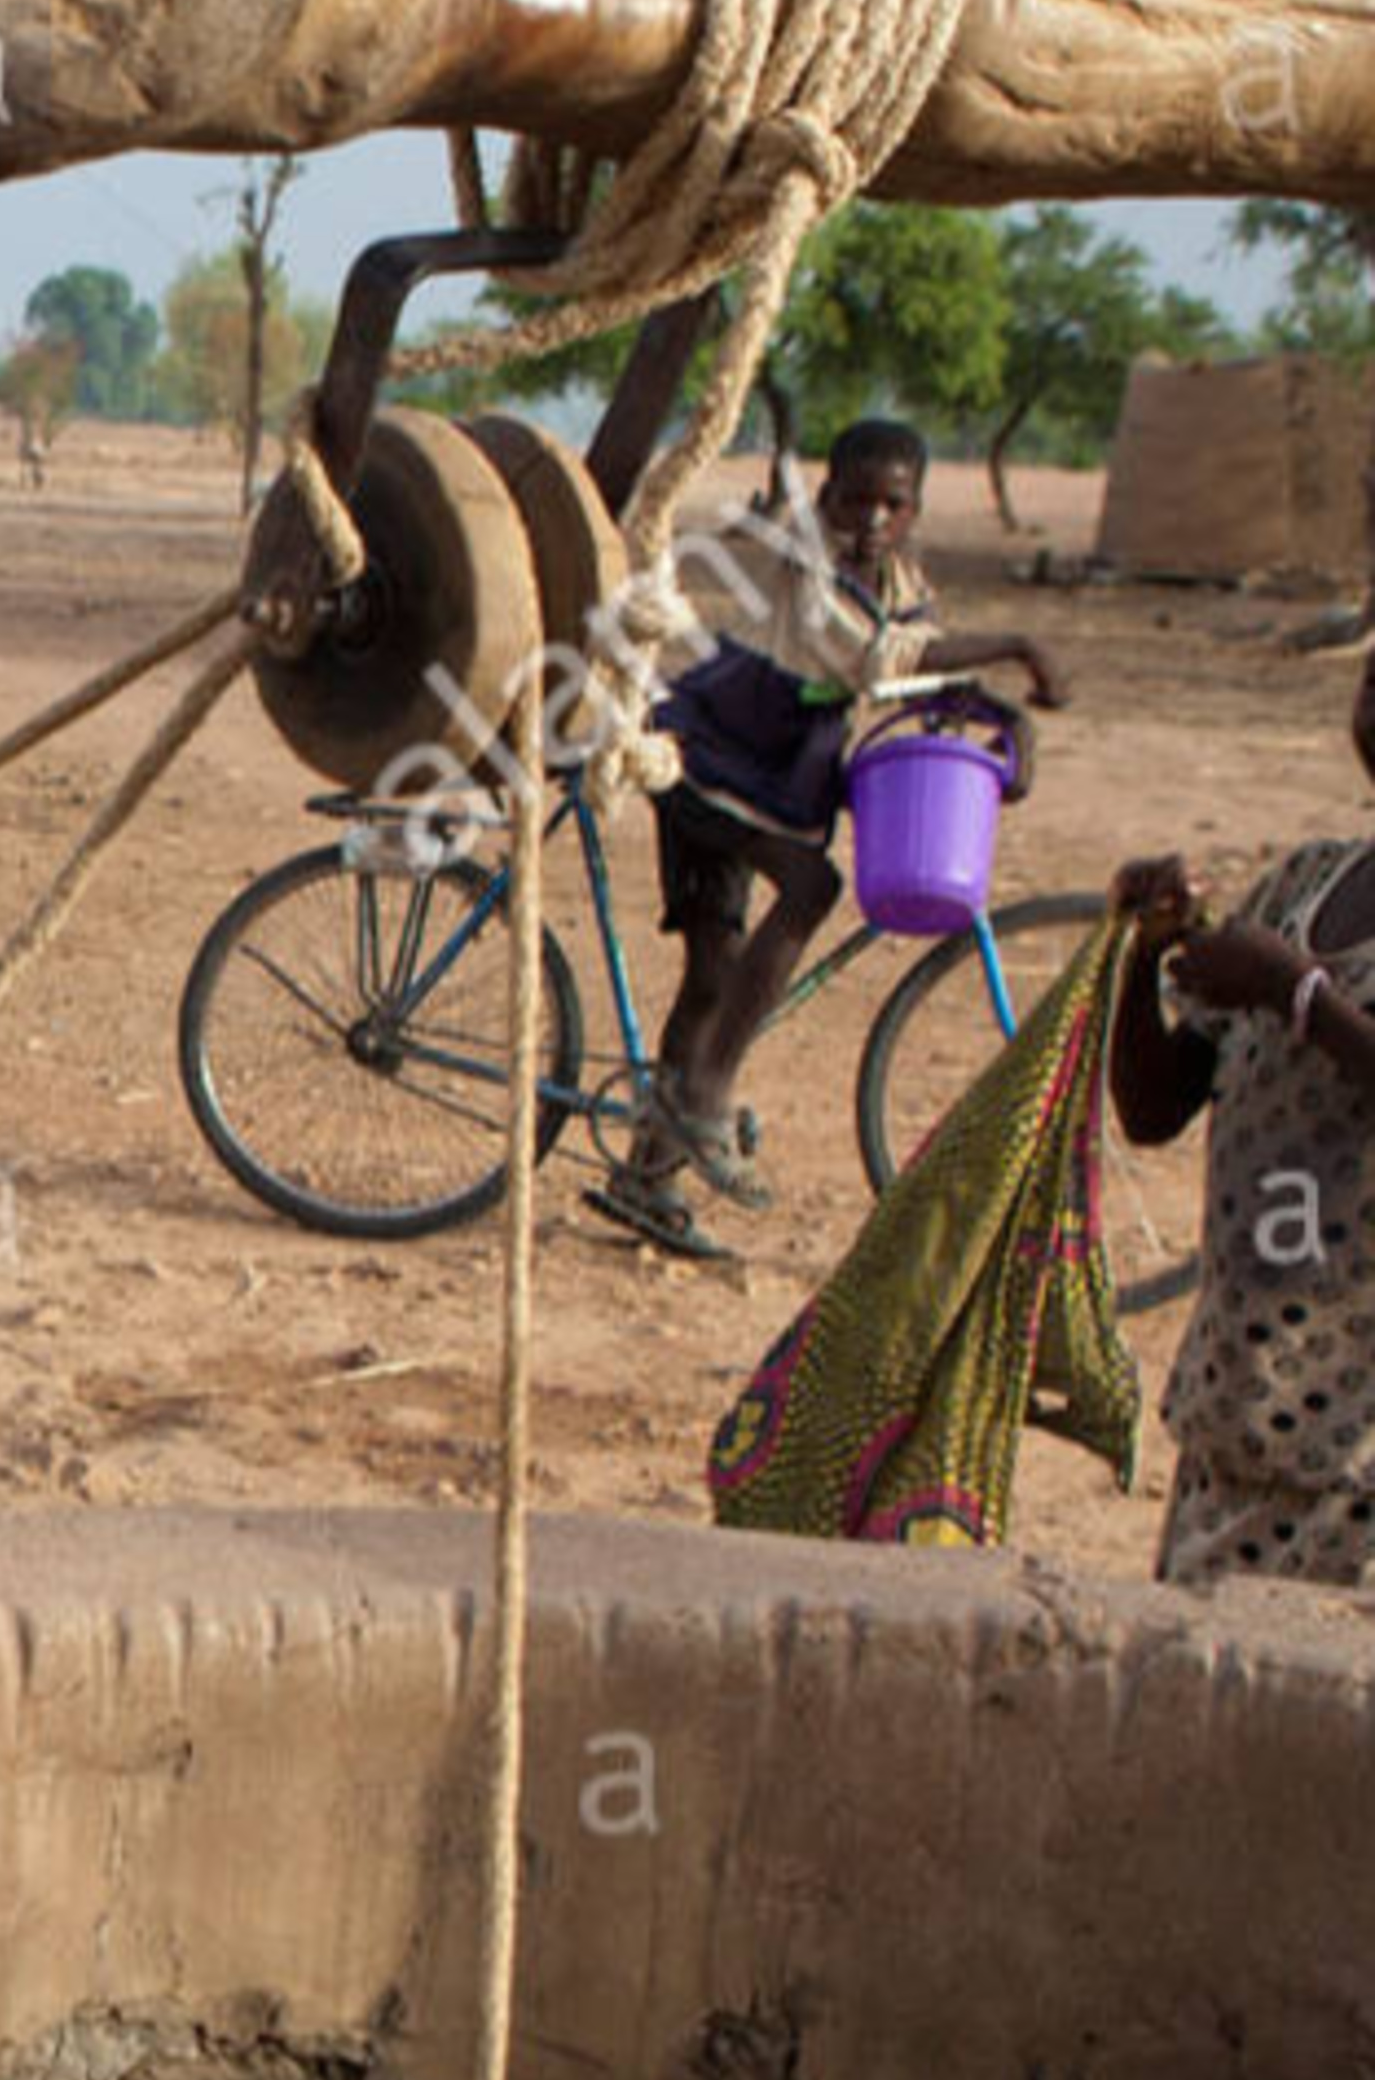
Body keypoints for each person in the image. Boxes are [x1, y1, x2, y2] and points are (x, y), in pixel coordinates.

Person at [586, 419, 1069, 1261]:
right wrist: (1018, 646)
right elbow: (876, 660)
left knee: (710, 981)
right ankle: (704, 1096)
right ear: (826, 494)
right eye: (857, 499)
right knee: (809, 891)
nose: (873, 518)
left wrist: (1003, 722)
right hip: (710, 756)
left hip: (777, 780)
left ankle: (647, 1177)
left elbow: (921, 674)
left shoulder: (905, 581)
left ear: (915, 508)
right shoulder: (800, 548)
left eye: (895, 503)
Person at [1110, 644, 1375, 1589]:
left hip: (1354, 1453)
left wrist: (1291, 990)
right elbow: (1153, 1108)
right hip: (1239, 1401)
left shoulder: (1286, 955)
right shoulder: (1305, 881)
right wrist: (1143, 957)